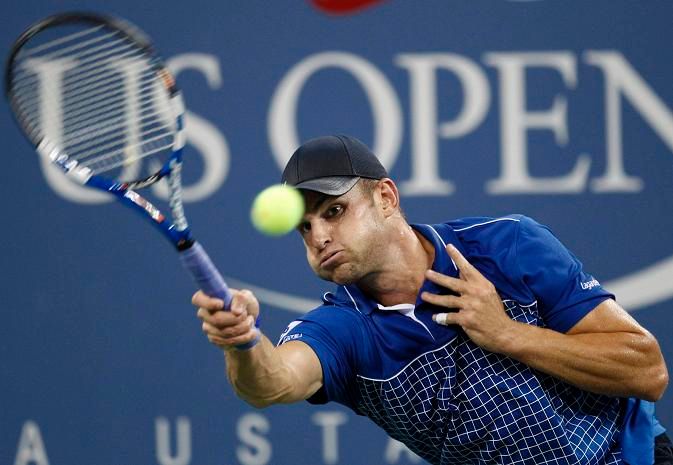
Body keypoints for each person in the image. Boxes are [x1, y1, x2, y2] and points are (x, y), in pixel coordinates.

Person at [193, 135, 671, 465]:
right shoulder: (344, 329)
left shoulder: (507, 246)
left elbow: (647, 372)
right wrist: (242, 341)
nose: (319, 237)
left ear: (386, 197)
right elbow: (272, 383)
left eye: (334, 211)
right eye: (304, 227)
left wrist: (509, 334)